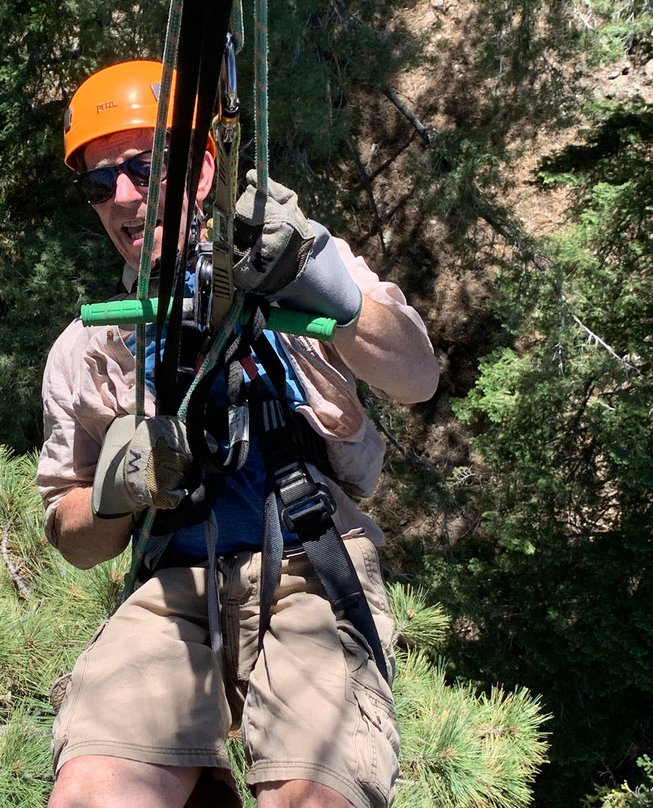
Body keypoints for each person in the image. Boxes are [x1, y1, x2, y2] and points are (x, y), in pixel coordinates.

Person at [37, 60, 439, 808]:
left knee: (312, 796)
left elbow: (418, 376)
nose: (123, 198)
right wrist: (117, 493)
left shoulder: (299, 271)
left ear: (205, 165)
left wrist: (337, 294)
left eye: (143, 168)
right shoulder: (90, 349)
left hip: (310, 570)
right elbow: (73, 538)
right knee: (93, 793)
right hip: (171, 587)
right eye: (99, 184)